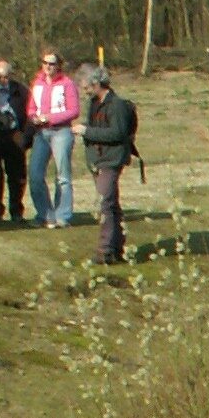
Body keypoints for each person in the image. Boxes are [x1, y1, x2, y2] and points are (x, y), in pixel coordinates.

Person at [76, 64, 139, 266]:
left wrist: (86, 131)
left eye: (87, 87)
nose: (85, 91)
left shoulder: (117, 106)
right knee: (111, 203)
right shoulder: (94, 103)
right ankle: (117, 248)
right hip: (99, 160)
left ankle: (105, 250)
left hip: (112, 160)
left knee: (105, 203)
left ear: (97, 83)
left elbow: (117, 133)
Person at [27, 51, 80, 229]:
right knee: (35, 175)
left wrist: (49, 118)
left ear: (58, 66)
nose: (48, 66)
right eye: (45, 63)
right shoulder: (37, 83)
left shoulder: (67, 84)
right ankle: (44, 214)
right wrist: (34, 117)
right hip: (41, 133)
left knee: (62, 175)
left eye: (51, 63)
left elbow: (73, 111)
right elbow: (32, 108)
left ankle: (62, 215)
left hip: (61, 132)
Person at [0, 59, 31, 227]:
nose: (3, 80)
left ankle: (17, 212)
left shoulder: (21, 90)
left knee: (17, 175)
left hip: (14, 135)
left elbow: (30, 114)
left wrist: (26, 137)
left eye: (6, 76)